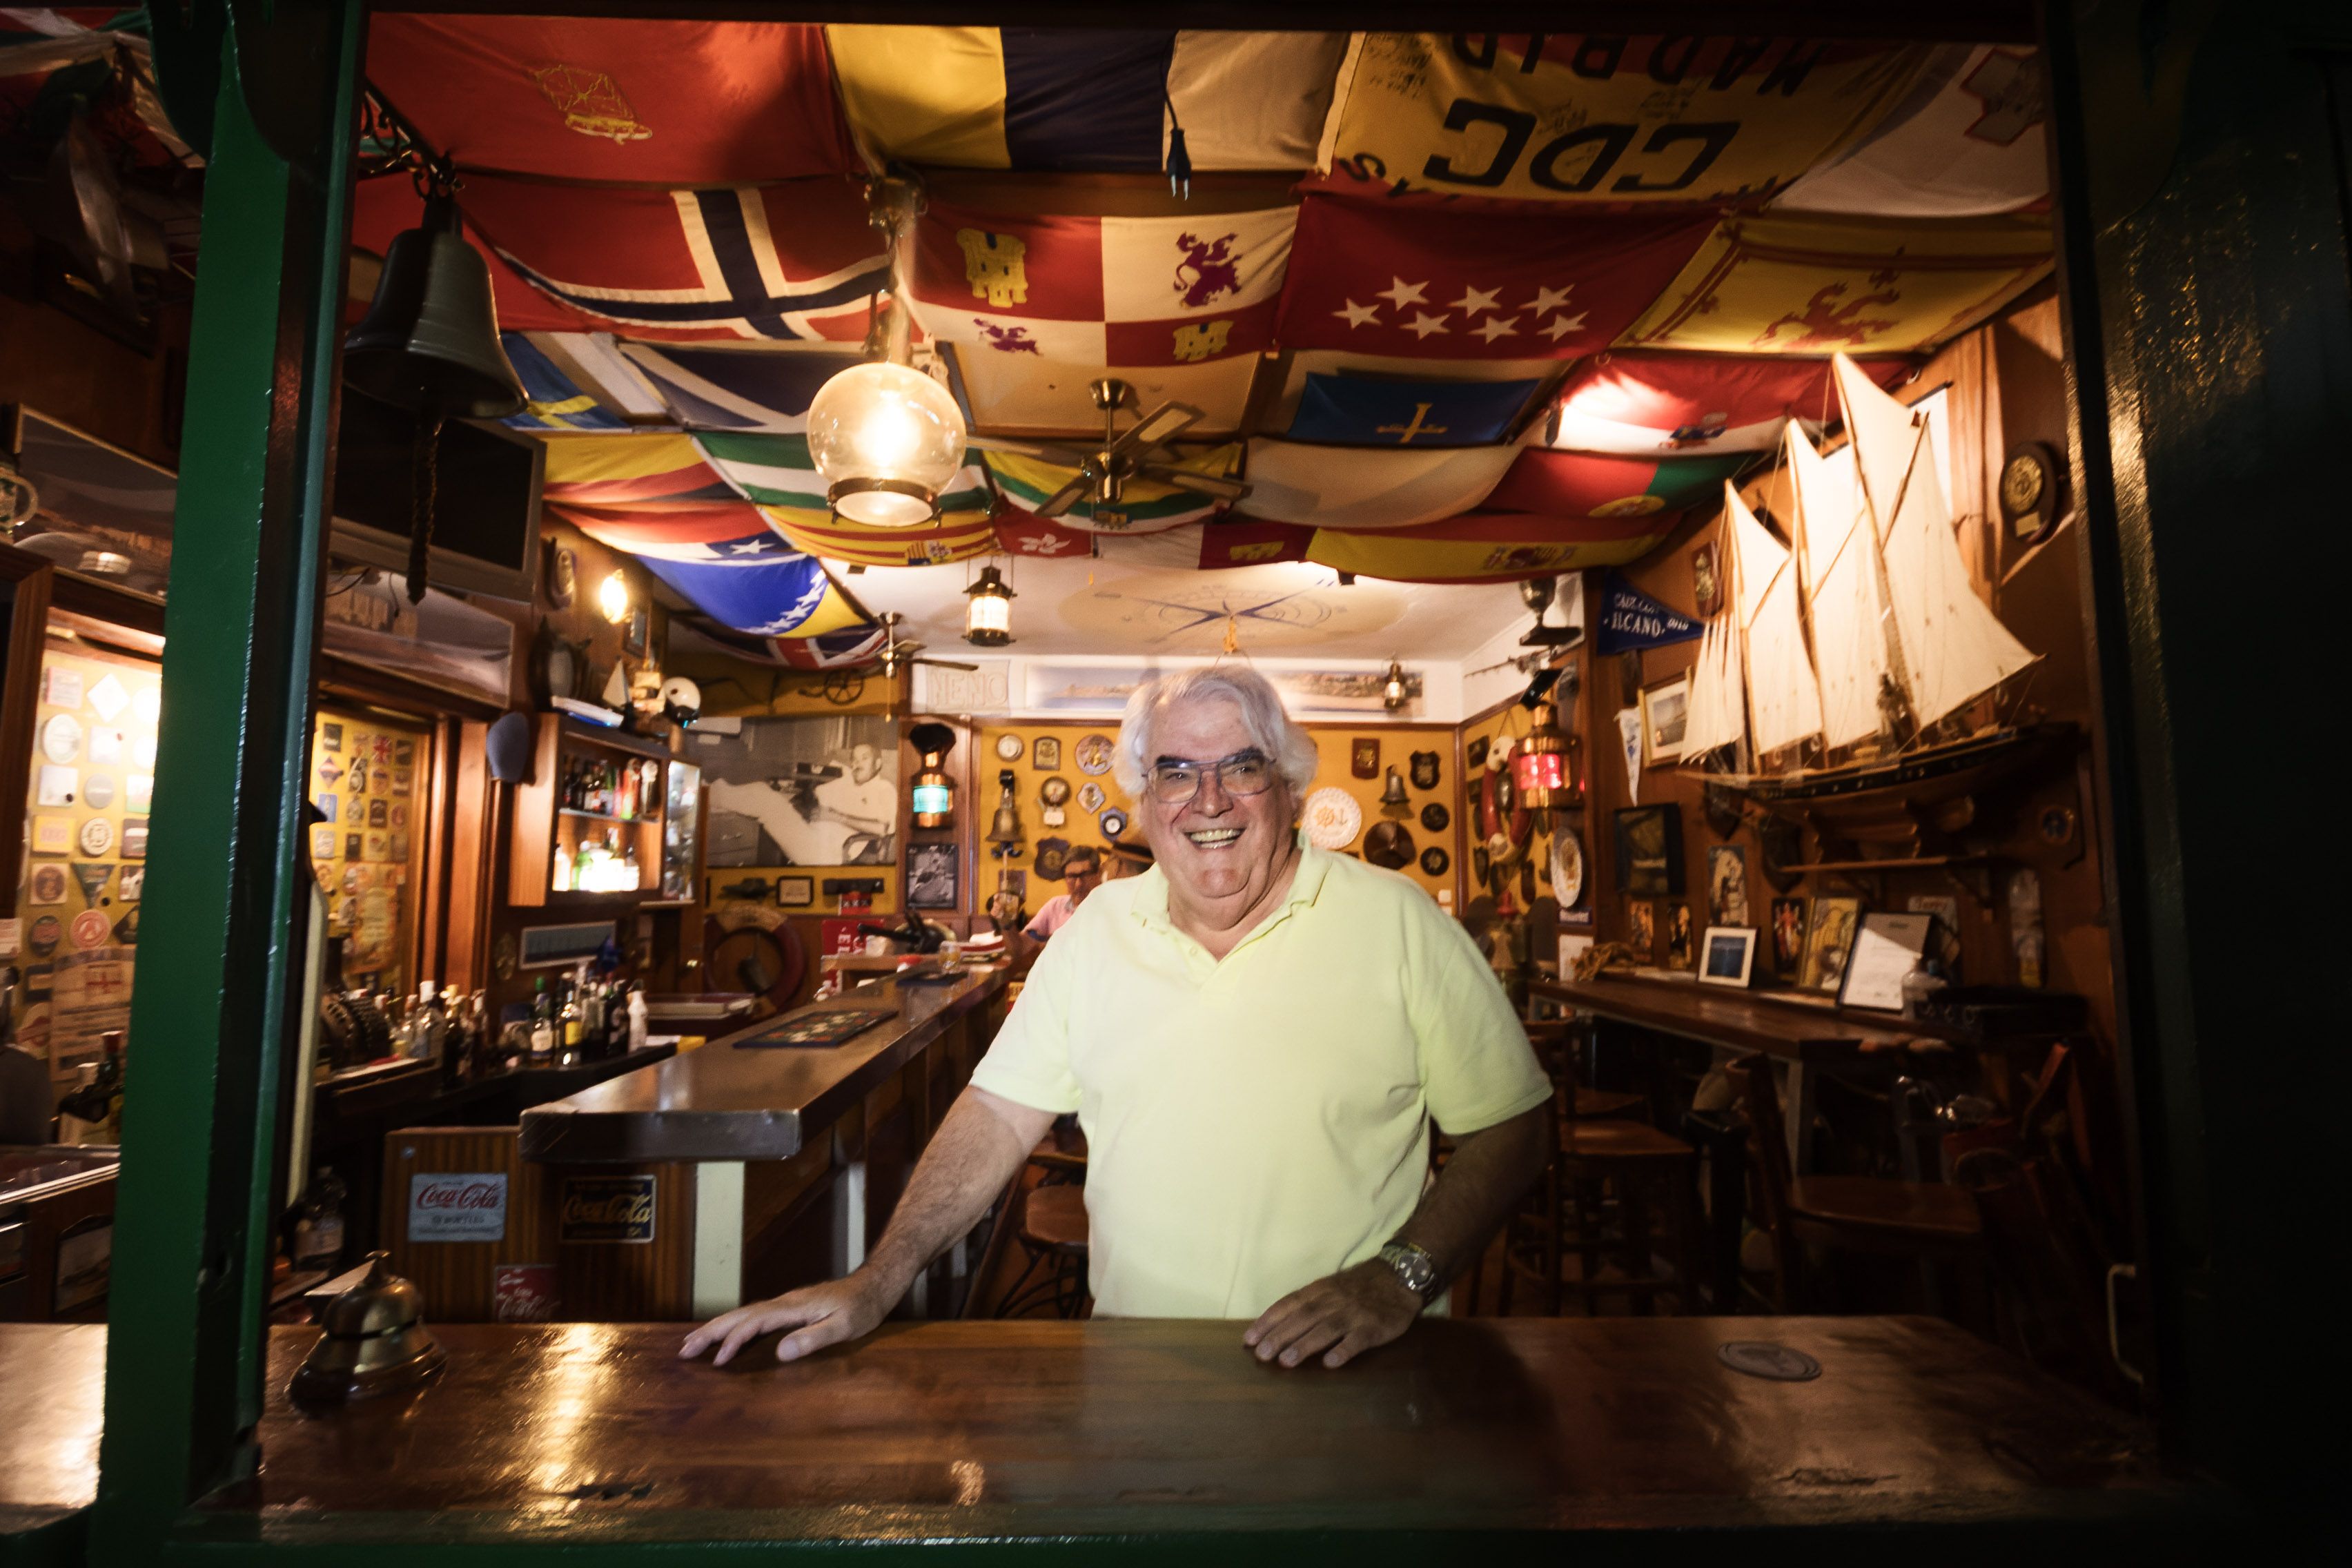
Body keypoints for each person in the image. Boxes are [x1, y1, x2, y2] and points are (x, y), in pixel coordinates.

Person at [685, 667, 1549, 1372]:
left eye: (1241, 768)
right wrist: (878, 1279)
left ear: (1287, 788)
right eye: (1176, 771)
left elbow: (1516, 1126)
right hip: (1138, 1369)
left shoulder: (1398, 920)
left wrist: (1397, 1279)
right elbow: (995, 1116)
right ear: (1145, 799)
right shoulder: (1095, 929)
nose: (1207, 801)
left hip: (1357, 1365)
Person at [1021, 845, 1102, 940]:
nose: (1078, 884)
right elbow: (1022, 946)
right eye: (1072, 877)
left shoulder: (1110, 908)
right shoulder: (1056, 906)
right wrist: (1007, 925)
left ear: (1099, 874)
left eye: (1085, 875)